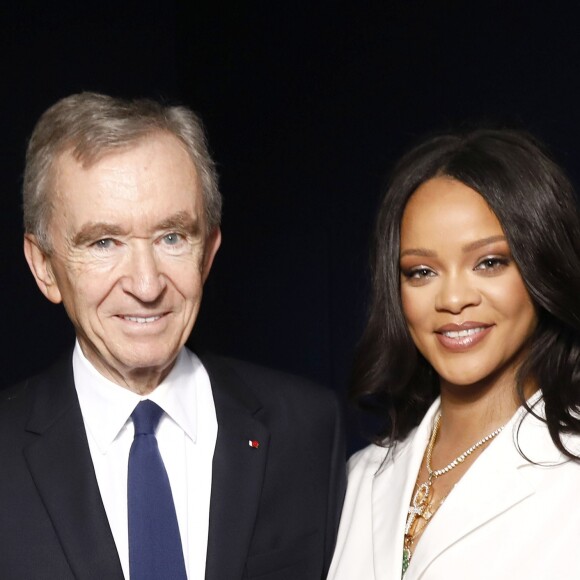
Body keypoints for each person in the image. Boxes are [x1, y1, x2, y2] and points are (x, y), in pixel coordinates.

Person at [0, 92, 346, 580]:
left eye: (172, 237)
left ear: (208, 253)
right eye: (104, 242)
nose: (146, 285)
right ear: (44, 268)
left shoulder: (307, 430)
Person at [328, 129, 580, 579]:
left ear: (542, 266)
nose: (454, 299)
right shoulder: (360, 477)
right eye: (421, 271)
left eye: (489, 262)